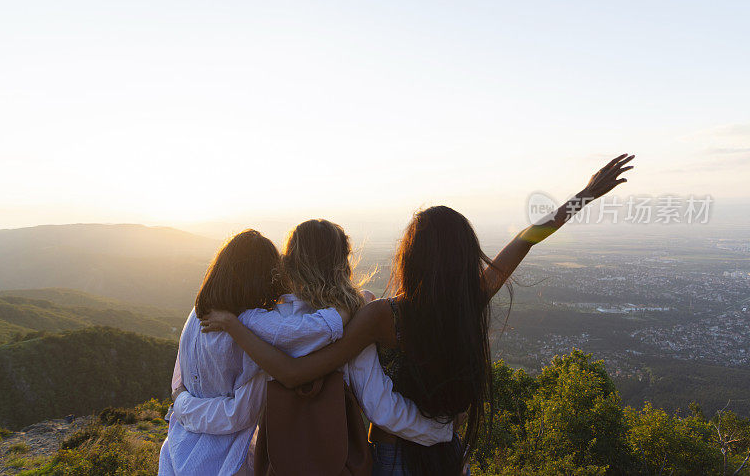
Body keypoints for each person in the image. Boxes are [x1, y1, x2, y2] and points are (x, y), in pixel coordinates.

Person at [200, 154, 635, 475]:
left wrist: (237, 326)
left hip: (393, 455)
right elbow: (527, 239)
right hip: (449, 454)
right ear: (464, 256)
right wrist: (585, 195)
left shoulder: (382, 317)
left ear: (413, 257)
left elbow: (298, 375)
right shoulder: (472, 299)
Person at [159, 227, 452, 476]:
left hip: (201, 455)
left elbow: (180, 382)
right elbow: (381, 408)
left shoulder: (211, 318)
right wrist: (441, 430)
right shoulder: (276, 327)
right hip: (304, 462)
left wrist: (181, 403)